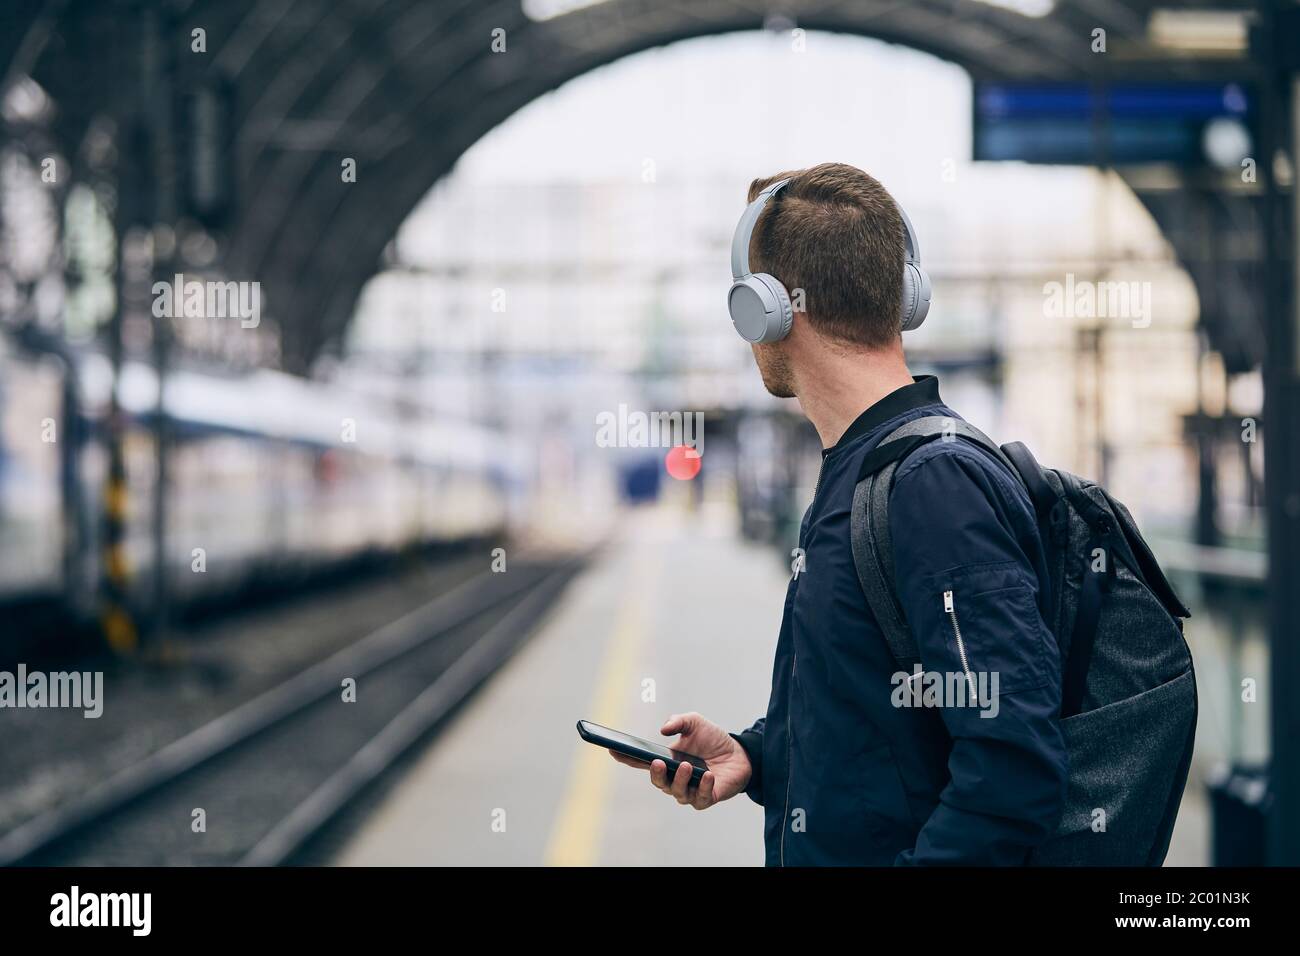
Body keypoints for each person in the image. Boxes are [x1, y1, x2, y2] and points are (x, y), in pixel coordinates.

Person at [609, 162, 1067, 865]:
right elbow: (880, 719)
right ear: (903, 295)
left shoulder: (933, 485)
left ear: (766, 307)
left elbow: (1013, 772)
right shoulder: (862, 473)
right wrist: (757, 755)